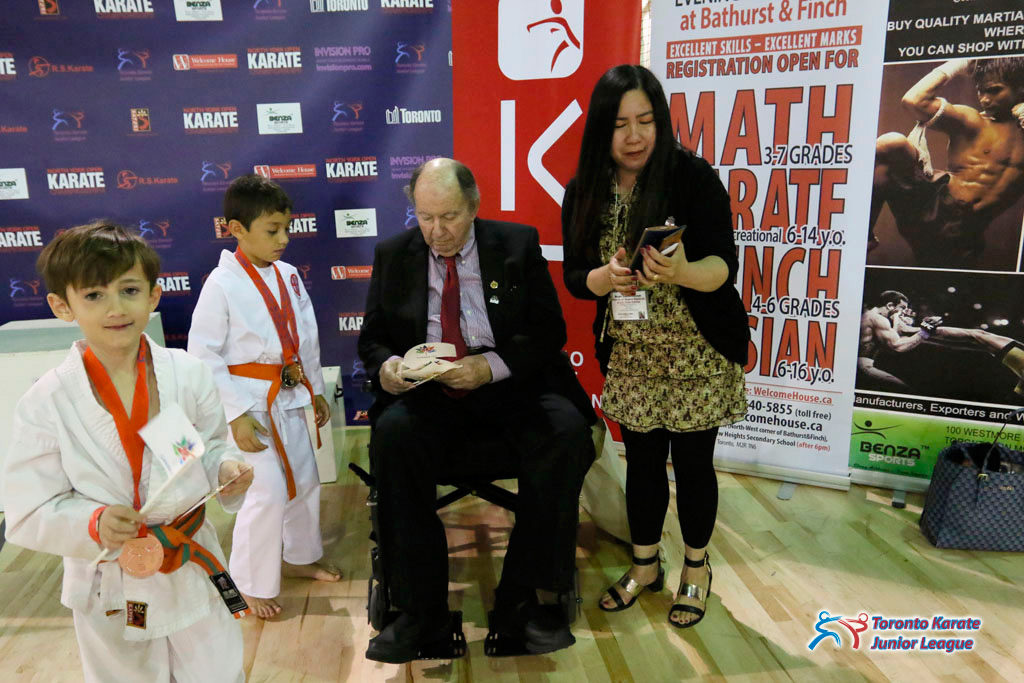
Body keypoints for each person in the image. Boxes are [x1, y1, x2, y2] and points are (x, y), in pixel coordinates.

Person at [357, 157, 596, 663]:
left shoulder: (516, 244)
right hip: (428, 391)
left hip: (507, 383)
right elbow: (373, 340)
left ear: (473, 206)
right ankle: (419, 611)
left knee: (566, 432)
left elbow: (548, 330)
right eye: (425, 217)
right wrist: (389, 368)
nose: (436, 231)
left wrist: (489, 367)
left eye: (448, 217)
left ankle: (521, 602)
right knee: (393, 437)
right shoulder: (393, 254)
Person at [2, 223, 254, 683]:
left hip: (186, 558)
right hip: (112, 576)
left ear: (154, 295)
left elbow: (205, 447)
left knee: (216, 669)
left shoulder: (187, 374)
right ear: (62, 306)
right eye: (94, 295)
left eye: (129, 290)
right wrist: (92, 522)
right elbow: (27, 510)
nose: (116, 308)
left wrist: (224, 467)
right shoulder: (46, 402)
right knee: (126, 674)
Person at [561, 65, 749, 628]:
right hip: (631, 354)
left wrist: (682, 271)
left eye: (645, 121)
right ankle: (645, 566)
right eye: (620, 124)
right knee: (641, 465)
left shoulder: (691, 176)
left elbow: (724, 268)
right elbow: (575, 277)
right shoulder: (584, 189)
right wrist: (604, 278)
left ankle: (696, 567)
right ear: (602, 129)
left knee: (692, 466)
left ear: (661, 122)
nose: (634, 135)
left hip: (696, 351)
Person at [188, 174, 339, 619]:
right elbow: (203, 355)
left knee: (306, 480)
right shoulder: (221, 284)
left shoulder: (289, 276)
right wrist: (234, 414)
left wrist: (314, 389)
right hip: (249, 403)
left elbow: (307, 337)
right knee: (266, 489)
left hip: (290, 394)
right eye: (272, 230)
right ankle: (249, 582)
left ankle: (299, 556)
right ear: (236, 229)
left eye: (286, 228)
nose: (283, 239)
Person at [870, 57, 1024, 268]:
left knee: (942, 282)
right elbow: (914, 101)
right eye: (981, 91)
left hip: (966, 235)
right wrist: (958, 65)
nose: (985, 99)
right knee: (891, 142)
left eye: (994, 91)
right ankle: (866, 236)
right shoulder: (973, 121)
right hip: (932, 207)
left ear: (1020, 87)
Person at [858, 290, 1024, 393]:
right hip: (863, 367)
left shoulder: (875, 318)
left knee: (978, 338)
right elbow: (897, 345)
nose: (902, 313)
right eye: (901, 309)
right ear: (889, 305)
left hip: (864, 366)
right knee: (979, 338)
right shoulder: (876, 319)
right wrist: (919, 330)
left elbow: (896, 344)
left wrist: (917, 329)